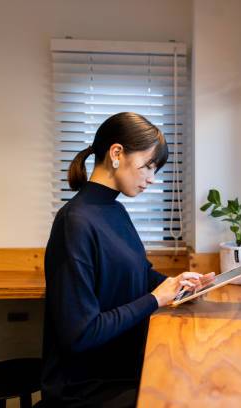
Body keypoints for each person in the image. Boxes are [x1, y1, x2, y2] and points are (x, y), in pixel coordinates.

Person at [41, 112, 215, 407]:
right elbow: (81, 334)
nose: (151, 179)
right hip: (87, 389)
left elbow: (140, 273)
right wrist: (155, 299)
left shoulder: (115, 211)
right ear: (117, 153)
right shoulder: (75, 221)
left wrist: (178, 285)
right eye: (148, 166)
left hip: (123, 369)